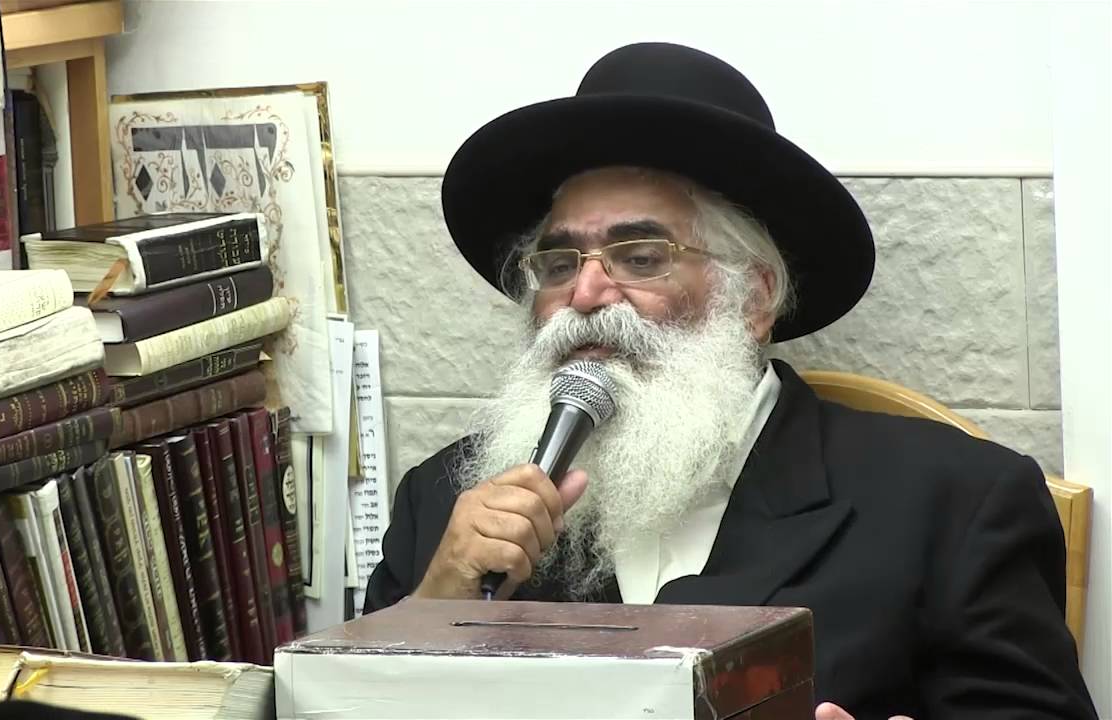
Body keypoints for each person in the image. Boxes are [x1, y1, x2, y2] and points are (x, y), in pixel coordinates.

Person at [362, 43, 1095, 720]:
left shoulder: (953, 503)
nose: (583, 294)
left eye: (640, 257)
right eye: (557, 264)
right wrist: (434, 608)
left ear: (754, 298)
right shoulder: (442, 504)